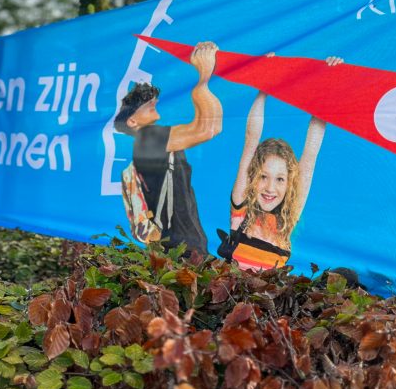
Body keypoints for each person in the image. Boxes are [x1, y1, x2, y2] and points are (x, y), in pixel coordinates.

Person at [220, 54, 342, 271]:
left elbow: (311, 153)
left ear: (289, 184)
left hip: (270, 302)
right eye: (263, 177)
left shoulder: (287, 221)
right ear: (252, 177)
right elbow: (251, 141)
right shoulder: (242, 209)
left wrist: (329, 83)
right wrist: (264, 87)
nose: (270, 188)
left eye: (280, 179)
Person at [114, 41, 224, 256]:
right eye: (138, 105)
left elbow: (213, 126)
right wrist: (203, 77)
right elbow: (207, 128)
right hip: (180, 251)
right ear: (132, 122)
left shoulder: (154, 142)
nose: (150, 102)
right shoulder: (148, 139)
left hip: (181, 248)